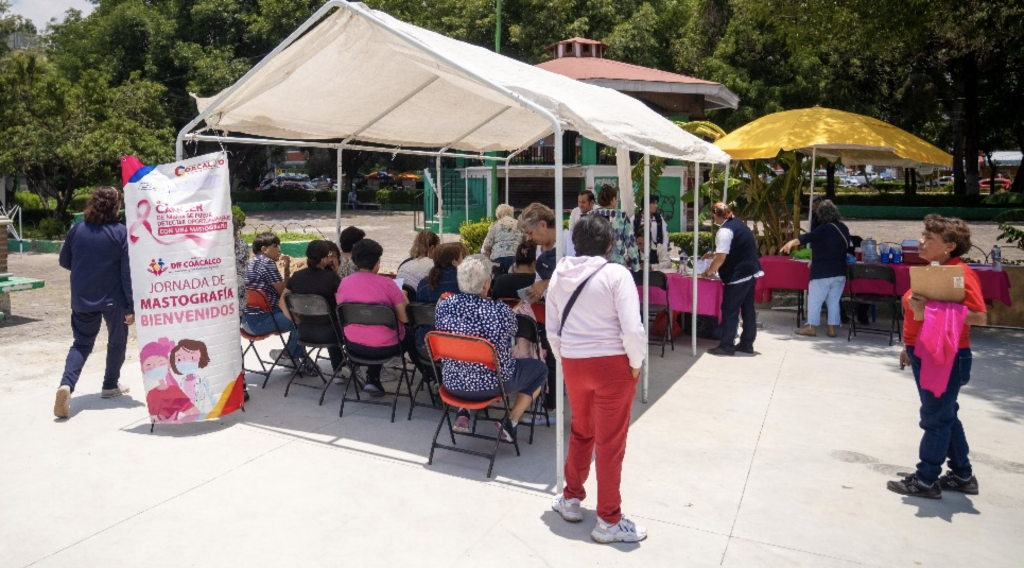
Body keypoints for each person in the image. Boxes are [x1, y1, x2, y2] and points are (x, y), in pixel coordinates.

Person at [546, 214, 648, 544]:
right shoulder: (617, 274)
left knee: (582, 431)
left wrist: (566, 359)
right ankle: (608, 519)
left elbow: (553, 330)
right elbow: (632, 328)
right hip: (613, 367)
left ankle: (572, 498)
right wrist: (636, 363)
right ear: (609, 244)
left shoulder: (558, 275)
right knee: (610, 443)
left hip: (575, 363)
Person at [887, 215, 986, 499]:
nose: (921, 241)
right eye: (923, 235)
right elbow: (917, 315)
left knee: (935, 418)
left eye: (929, 238)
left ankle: (927, 480)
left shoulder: (961, 274)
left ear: (949, 246)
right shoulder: (936, 269)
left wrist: (933, 307)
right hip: (925, 352)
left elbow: (979, 316)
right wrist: (909, 346)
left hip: (945, 356)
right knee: (946, 415)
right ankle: (962, 474)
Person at [434, 255, 547, 441]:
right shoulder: (498, 310)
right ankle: (511, 422)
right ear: (487, 284)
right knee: (540, 370)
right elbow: (514, 331)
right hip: (493, 386)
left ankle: (464, 411)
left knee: (466, 358)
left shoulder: (443, 306)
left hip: (452, 383)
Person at [54, 186, 135, 419]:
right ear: (114, 206)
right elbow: (126, 273)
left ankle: (66, 385)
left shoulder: (77, 229)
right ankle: (110, 385)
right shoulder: (121, 233)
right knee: (117, 341)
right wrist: (130, 307)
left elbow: (64, 260)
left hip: (81, 297)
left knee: (81, 344)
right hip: (114, 299)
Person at [336, 239, 416, 396]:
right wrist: (403, 297)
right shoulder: (388, 284)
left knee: (372, 328)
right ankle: (430, 377)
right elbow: (405, 318)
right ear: (377, 262)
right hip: (386, 347)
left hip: (354, 345)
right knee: (411, 335)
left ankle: (373, 378)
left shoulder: (344, 283)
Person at [779, 199, 852, 338]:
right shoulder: (843, 228)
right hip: (840, 271)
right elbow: (846, 245)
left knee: (815, 300)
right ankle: (831, 329)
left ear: (821, 214)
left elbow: (806, 238)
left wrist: (790, 243)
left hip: (822, 271)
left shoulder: (823, 228)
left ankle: (811, 327)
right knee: (834, 301)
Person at [701, 202, 763, 356]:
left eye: (713, 215)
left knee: (730, 309)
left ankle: (727, 345)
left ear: (716, 214)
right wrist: (714, 253)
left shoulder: (724, 231)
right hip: (751, 272)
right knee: (748, 308)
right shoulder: (738, 224)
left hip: (738, 276)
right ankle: (747, 344)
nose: (713, 218)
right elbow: (735, 248)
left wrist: (708, 272)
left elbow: (722, 258)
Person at [242, 232, 307, 368]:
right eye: (275, 246)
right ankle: (288, 355)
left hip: (248, 321)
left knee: (297, 317)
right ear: (264, 249)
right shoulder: (267, 263)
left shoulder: (252, 263)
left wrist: (287, 268)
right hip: (262, 320)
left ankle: (295, 359)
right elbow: (284, 292)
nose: (279, 249)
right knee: (303, 322)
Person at [281, 240, 344, 373]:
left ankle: (340, 370)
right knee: (338, 323)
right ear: (323, 259)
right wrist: (336, 274)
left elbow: (282, 302)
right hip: (330, 333)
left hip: (304, 332)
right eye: (328, 256)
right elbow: (341, 305)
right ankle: (340, 370)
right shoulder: (331, 278)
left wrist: (296, 320)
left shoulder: (297, 277)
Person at [592, 184, 640, 272]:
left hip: (595, 267)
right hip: (616, 267)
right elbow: (630, 244)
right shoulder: (622, 216)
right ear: (612, 199)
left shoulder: (591, 216)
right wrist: (636, 268)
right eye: (616, 198)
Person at [482, 204, 523, 273]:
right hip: (515, 257)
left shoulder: (495, 225)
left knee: (498, 282)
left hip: (498, 258)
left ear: (498, 215)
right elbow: (525, 240)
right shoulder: (518, 224)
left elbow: (486, 246)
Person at [633, 193, 670, 269]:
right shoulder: (635, 218)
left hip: (655, 250)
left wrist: (663, 251)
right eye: (653, 203)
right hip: (640, 249)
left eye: (656, 203)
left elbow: (665, 236)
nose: (656, 206)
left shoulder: (658, 218)